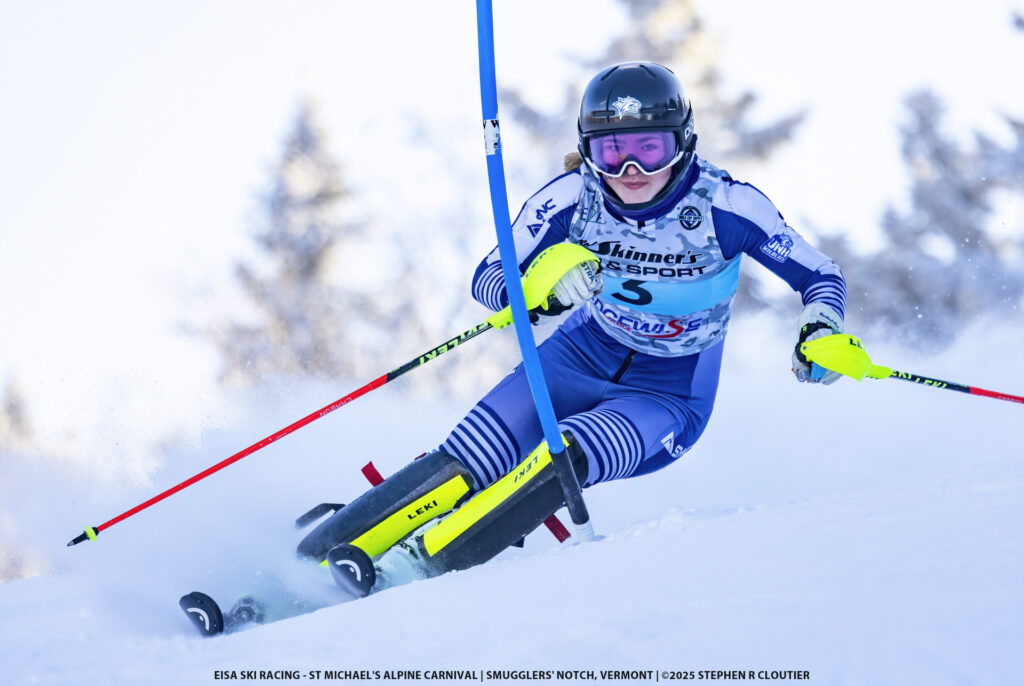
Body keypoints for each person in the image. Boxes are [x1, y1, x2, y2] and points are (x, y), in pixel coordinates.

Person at [297, 61, 847, 598]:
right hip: (575, 357)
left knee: (567, 453)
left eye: (650, 148)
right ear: (587, 151)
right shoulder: (571, 198)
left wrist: (820, 328)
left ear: (683, 143)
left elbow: (820, 275)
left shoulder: (726, 206)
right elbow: (489, 277)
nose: (629, 170)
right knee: (474, 454)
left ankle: (414, 567)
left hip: (669, 393)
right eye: (611, 152)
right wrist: (539, 289)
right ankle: (309, 559)